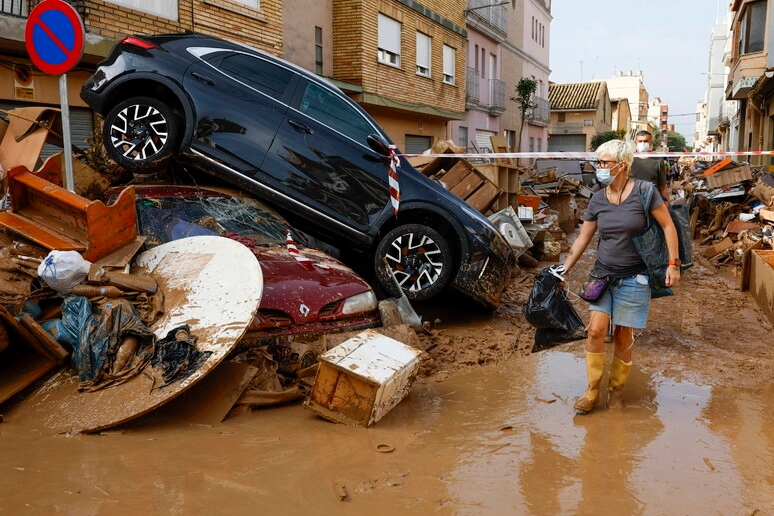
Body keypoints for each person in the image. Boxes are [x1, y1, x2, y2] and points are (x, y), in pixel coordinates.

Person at [550, 139, 681, 413]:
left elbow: (669, 227)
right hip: (602, 274)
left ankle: (616, 394)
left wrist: (673, 264)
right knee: (596, 331)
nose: (599, 168)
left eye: (604, 163)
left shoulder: (645, 192)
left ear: (622, 165)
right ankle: (592, 390)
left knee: (622, 335)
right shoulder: (597, 199)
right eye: (597, 162)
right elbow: (583, 239)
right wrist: (563, 269)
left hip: (636, 277)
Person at [630, 130, 669, 200]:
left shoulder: (658, 161)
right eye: (640, 141)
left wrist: (666, 205)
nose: (642, 143)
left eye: (645, 141)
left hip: (652, 201)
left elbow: (663, 187)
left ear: (650, 142)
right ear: (636, 142)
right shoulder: (629, 160)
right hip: (632, 201)